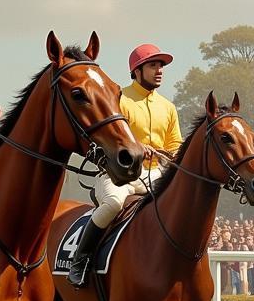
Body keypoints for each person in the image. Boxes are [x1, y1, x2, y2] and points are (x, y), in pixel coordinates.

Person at [67, 42, 183, 287]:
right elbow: (110, 139)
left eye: (161, 65)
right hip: (119, 176)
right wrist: (139, 147)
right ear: (137, 71)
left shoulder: (168, 108)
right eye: (153, 65)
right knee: (113, 203)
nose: (159, 70)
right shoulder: (120, 99)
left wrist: (172, 155)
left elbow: (175, 144)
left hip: (155, 175)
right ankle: (81, 259)